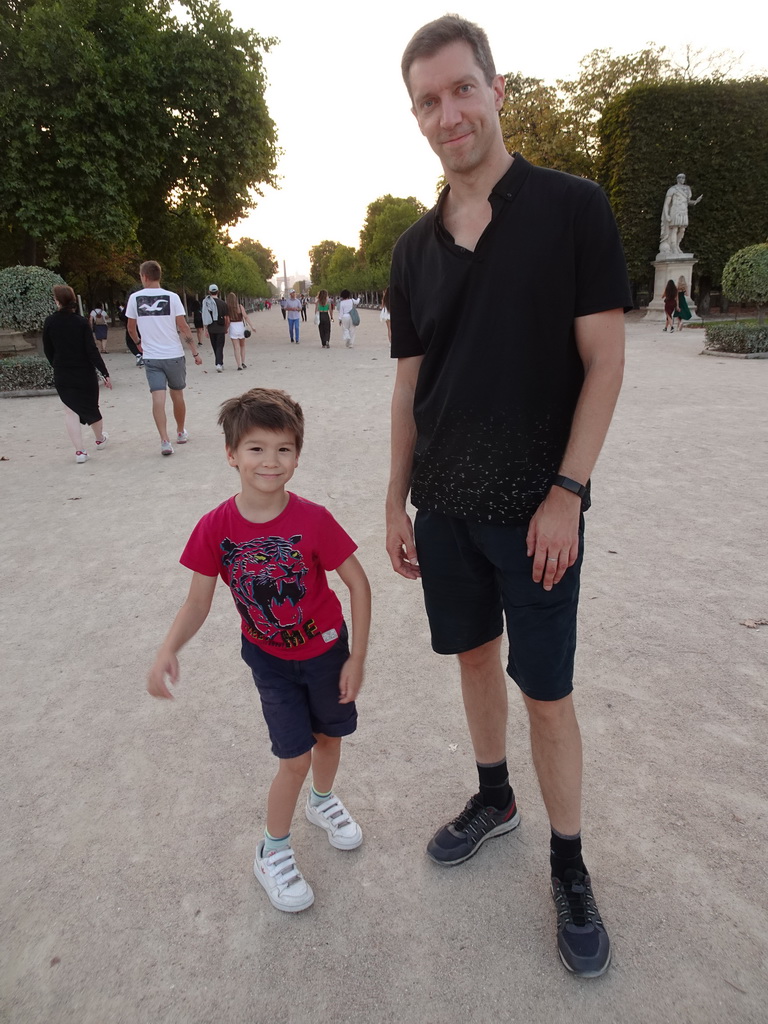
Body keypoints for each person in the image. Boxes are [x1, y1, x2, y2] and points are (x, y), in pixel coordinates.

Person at [386, 15, 631, 979]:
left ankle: (570, 863)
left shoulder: (572, 207)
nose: (449, 114)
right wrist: (392, 502)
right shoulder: (412, 249)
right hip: (442, 505)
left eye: (461, 90)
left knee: (550, 694)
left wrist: (569, 490)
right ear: (418, 117)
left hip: (538, 512)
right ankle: (495, 797)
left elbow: (604, 362)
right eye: (428, 102)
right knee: (474, 661)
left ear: (495, 88)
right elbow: (409, 386)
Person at [147, 388, 371, 914]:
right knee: (293, 758)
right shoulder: (215, 528)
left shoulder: (314, 519)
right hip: (269, 661)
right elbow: (198, 602)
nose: (271, 461)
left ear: (297, 455)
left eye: (284, 449)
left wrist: (357, 656)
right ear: (231, 454)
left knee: (330, 740)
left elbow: (359, 586)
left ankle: (322, 802)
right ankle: (272, 851)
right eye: (256, 448)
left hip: (328, 653)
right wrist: (167, 648)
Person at [126, 260, 202, 456]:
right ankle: (180, 431)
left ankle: (165, 441)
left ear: (144, 276)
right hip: (174, 355)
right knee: (177, 395)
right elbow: (184, 327)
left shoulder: (135, 298)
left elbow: (131, 328)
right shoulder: (172, 297)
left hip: (152, 356)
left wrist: (138, 343)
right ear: (159, 276)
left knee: (157, 399)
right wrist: (194, 351)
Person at [44, 285, 112, 463]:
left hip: (63, 371)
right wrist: (104, 372)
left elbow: (48, 349)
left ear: (57, 301)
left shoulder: (50, 322)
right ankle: (99, 438)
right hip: (84, 371)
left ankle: (80, 451)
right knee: (91, 406)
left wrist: (56, 364)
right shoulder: (81, 322)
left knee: (70, 411)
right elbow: (91, 350)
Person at [659, 173, 703, 256]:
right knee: (674, 229)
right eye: (681, 177)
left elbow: (688, 201)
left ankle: (677, 245)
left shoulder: (687, 189)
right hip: (675, 211)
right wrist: (667, 215)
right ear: (677, 179)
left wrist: (696, 201)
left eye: (684, 177)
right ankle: (673, 247)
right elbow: (667, 204)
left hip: (683, 211)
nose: (682, 179)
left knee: (682, 229)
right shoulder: (673, 189)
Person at [202, 284, 229, 371]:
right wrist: (226, 327)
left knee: (214, 345)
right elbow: (226, 318)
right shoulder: (223, 303)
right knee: (220, 346)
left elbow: (205, 316)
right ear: (218, 291)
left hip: (211, 327)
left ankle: (219, 362)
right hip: (220, 327)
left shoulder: (206, 303)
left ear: (209, 292)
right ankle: (219, 363)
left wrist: (205, 329)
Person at [226, 291, 254, 370]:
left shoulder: (228, 308)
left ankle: (239, 365)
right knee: (242, 346)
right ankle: (243, 362)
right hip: (240, 326)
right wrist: (252, 326)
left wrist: (226, 329)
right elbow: (246, 317)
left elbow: (227, 320)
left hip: (232, 327)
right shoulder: (240, 307)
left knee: (236, 348)